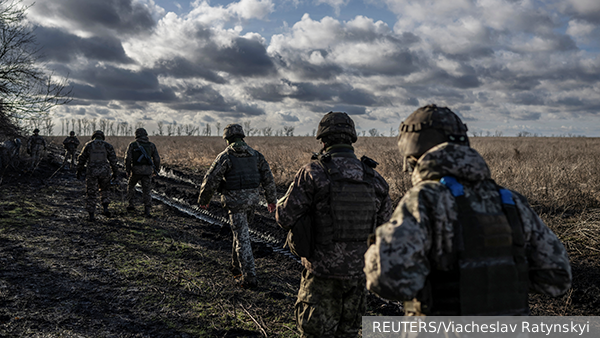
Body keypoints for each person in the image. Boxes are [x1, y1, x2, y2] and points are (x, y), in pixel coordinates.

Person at [364, 104, 572, 316]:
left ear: (412, 155)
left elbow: (387, 280)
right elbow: (556, 278)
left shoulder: (424, 200)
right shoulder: (511, 201)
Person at [276, 112, 392, 338]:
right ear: (352, 139)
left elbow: (284, 218)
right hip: (358, 277)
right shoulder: (374, 178)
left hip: (321, 276)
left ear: (323, 140)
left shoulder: (313, 172)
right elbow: (386, 232)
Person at [198, 123, 277, 288]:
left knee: (242, 238)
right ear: (242, 137)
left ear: (227, 139)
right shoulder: (256, 155)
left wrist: (204, 200)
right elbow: (268, 178)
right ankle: (236, 267)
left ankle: (249, 277)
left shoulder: (225, 157)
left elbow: (211, 179)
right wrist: (271, 200)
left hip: (234, 203)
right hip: (252, 202)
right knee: (241, 233)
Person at [76, 130, 119, 222]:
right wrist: (115, 173)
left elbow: (81, 159)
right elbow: (113, 161)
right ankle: (105, 208)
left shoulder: (89, 145)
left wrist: (79, 170)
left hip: (92, 172)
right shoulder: (107, 146)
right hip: (105, 172)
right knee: (105, 190)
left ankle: (91, 214)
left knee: (91, 192)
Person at [124, 128, 160, 217]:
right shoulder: (151, 145)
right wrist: (156, 170)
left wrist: (127, 170)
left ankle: (131, 204)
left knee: (131, 186)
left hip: (135, 171)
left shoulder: (132, 145)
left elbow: (127, 158)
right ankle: (147, 210)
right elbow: (157, 159)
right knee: (146, 190)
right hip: (147, 171)